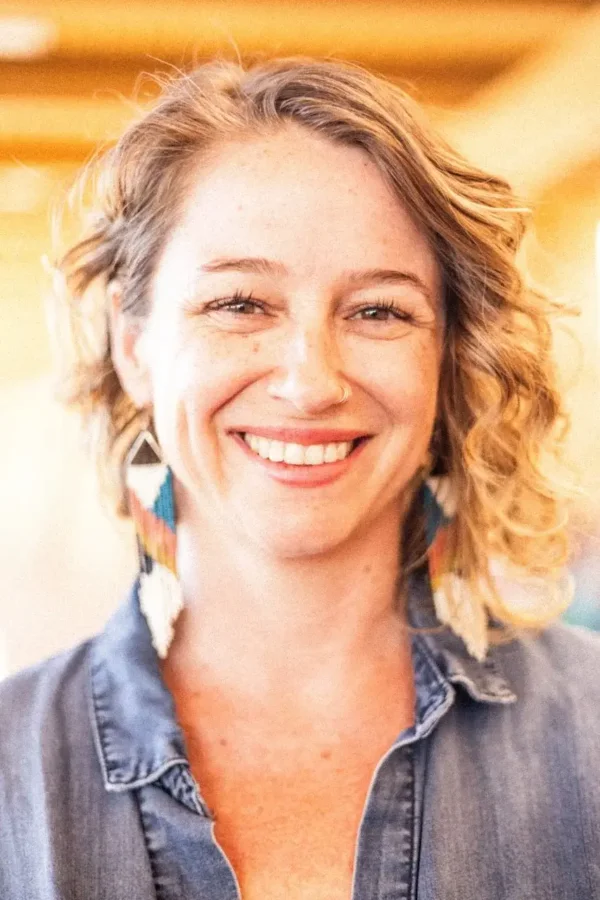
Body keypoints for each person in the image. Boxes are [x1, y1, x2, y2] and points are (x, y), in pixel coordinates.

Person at [0, 56, 598, 900]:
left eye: (380, 311)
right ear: (135, 351)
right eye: (240, 304)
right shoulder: (11, 777)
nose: (310, 381)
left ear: (448, 362)